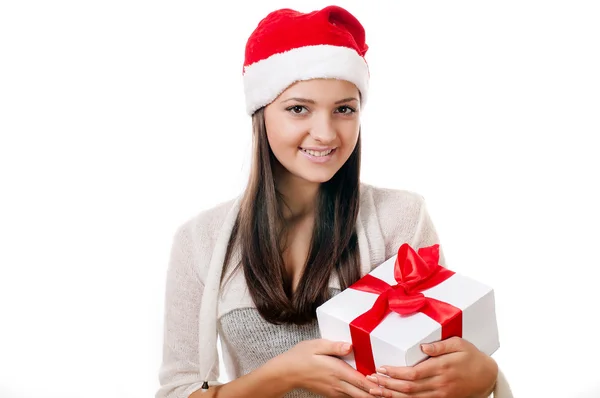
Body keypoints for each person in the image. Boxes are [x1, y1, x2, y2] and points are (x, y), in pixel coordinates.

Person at [155, 5, 513, 398]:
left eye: (344, 109)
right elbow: (178, 391)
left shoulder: (400, 218)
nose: (325, 134)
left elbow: (433, 368)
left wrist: (484, 377)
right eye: (298, 109)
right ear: (261, 113)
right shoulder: (200, 241)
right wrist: (283, 375)